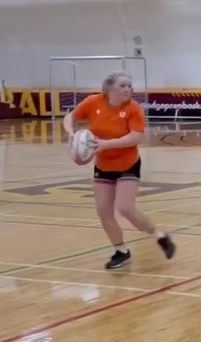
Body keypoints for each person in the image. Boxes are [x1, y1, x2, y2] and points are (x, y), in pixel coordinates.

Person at [63, 73, 176, 271]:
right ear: (109, 89)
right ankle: (121, 251)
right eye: (122, 85)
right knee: (104, 212)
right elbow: (71, 117)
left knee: (125, 207)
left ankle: (160, 236)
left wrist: (107, 144)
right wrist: (71, 134)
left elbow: (136, 137)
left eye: (130, 86)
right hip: (103, 165)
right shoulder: (93, 102)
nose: (128, 89)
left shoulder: (133, 109)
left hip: (127, 164)